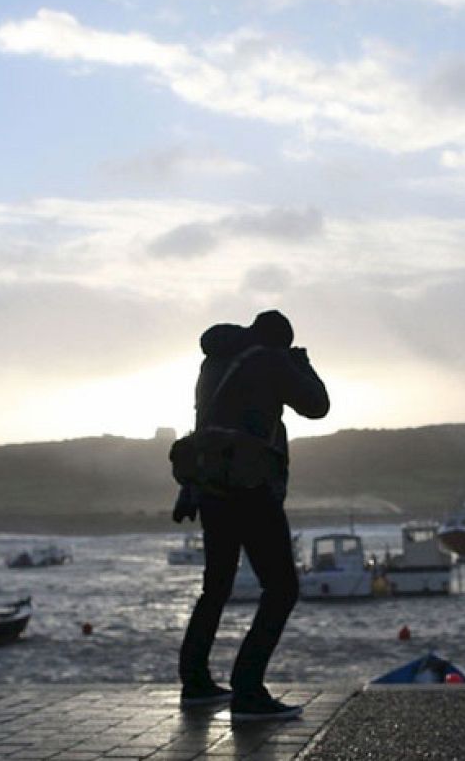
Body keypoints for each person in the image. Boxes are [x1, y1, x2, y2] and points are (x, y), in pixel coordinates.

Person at [176, 310, 329, 723]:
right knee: (282, 590)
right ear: (279, 340)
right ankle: (248, 690)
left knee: (217, 586)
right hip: (252, 491)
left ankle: (195, 683)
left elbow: (203, 426)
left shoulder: (214, 362)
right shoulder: (271, 360)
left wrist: (188, 488)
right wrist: (302, 363)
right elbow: (318, 406)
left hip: (211, 491)